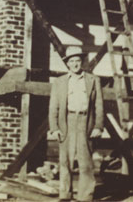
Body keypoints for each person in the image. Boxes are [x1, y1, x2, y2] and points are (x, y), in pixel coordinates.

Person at [49, 46, 104, 202]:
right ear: (67, 64)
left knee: (85, 164)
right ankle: (65, 196)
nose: (75, 64)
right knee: (65, 162)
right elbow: (53, 107)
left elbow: (99, 105)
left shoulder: (93, 80)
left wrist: (98, 126)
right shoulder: (59, 82)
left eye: (77, 60)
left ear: (82, 62)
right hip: (67, 122)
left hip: (86, 123)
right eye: (71, 61)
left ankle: (85, 197)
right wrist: (54, 128)